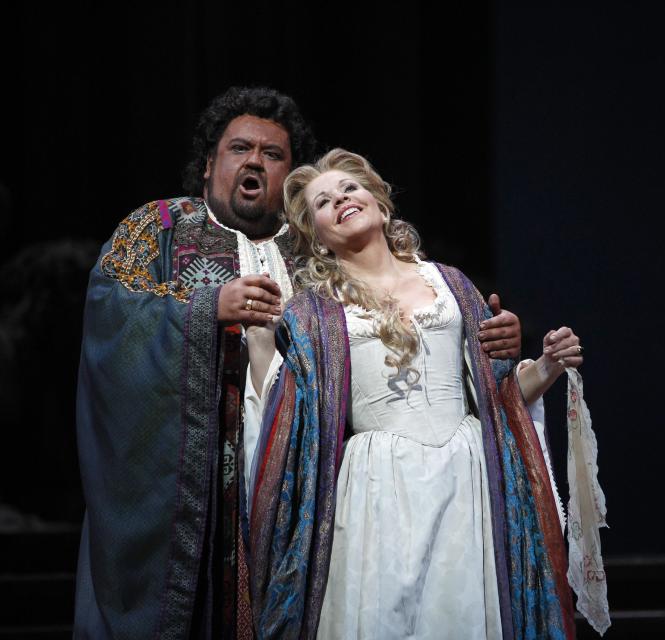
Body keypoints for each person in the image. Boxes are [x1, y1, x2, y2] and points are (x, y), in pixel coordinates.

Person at [74, 87, 522, 639]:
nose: (254, 161)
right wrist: (205, 308)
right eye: (239, 148)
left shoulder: (322, 247)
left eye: (273, 153)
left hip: (319, 485)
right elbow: (109, 318)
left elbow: (404, 320)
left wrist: (483, 337)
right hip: (200, 490)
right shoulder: (158, 227)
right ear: (210, 161)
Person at [246, 149, 585, 639]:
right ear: (315, 236)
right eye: (324, 201)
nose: (341, 199)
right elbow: (292, 422)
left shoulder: (450, 284)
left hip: (466, 476)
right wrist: (260, 340)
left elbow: (496, 399)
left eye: (350, 189)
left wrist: (549, 364)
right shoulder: (314, 314)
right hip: (379, 485)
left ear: (381, 205)